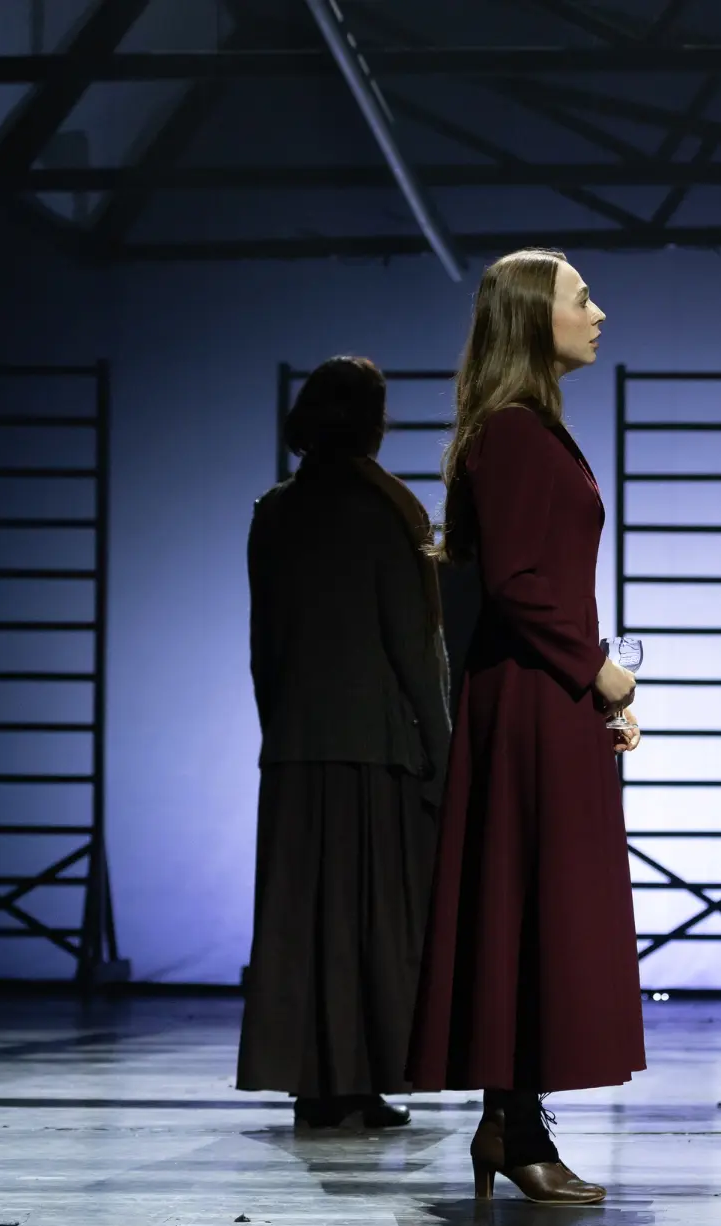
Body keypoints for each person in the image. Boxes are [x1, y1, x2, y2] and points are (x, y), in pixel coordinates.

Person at [406, 248, 644, 1205]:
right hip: (528, 702)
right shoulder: (509, 432)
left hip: (551, 697)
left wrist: (599, 691)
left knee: (545, 910)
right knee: (527, 906)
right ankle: (511, 1123)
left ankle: (513, 1121)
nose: (599, 313)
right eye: (582, 298)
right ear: (533, 316)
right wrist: (599, 671)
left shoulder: (534, 427)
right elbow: (512, 582)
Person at [238, 356, 451, 1129]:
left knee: (304, 918)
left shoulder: (275, 512)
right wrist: (443, 748)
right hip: (374, 745)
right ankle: (358, 1082)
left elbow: (265, 644)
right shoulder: (387, 511)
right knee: (372, 919)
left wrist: (281, 727)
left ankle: (315, 1085)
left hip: (297, 744)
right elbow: (414, 645)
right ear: (373, 423)